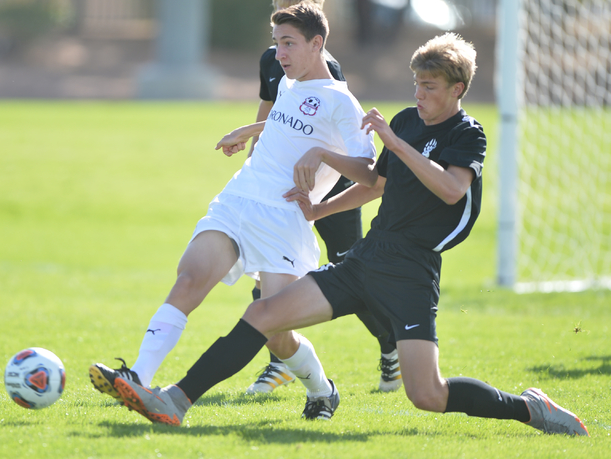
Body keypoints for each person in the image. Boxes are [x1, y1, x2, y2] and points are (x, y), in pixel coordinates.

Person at [109, 32, 589, 436]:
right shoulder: (404, 120)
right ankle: (174, 400)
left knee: (427, 394)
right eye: (416, 85)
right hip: (367, 258)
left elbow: (448, 189)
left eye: (430, 87)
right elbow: (375, 186)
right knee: (263, 313)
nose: (419, 95)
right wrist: (318, 209)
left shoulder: (469, 133)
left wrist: (395, 143)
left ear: (457, 89)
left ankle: (529, 408)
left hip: (411, 273)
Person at [89, 1, 377, 420]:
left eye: (289, 44)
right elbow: (288, 121)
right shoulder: (288, 83)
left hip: (284, 220)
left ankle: (322, 390)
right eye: (277, 43)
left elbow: (370, 172)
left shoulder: (342, 103)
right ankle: (137, 377)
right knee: (189, 279)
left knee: (277, 335)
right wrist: (251, 128)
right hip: (240, 198)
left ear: (318, 45)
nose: (280, 54)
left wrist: (322, 157)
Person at [246, 0, 400, 396]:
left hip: (327, 187)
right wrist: (254, 145)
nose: (282, 42)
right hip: (283, 182)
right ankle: (279, 362)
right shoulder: (271, 58)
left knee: (348, 271)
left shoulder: (325, 69)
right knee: (269, 266)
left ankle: (392, 345)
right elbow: (274, 108)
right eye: (281, 6)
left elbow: (332, 129)